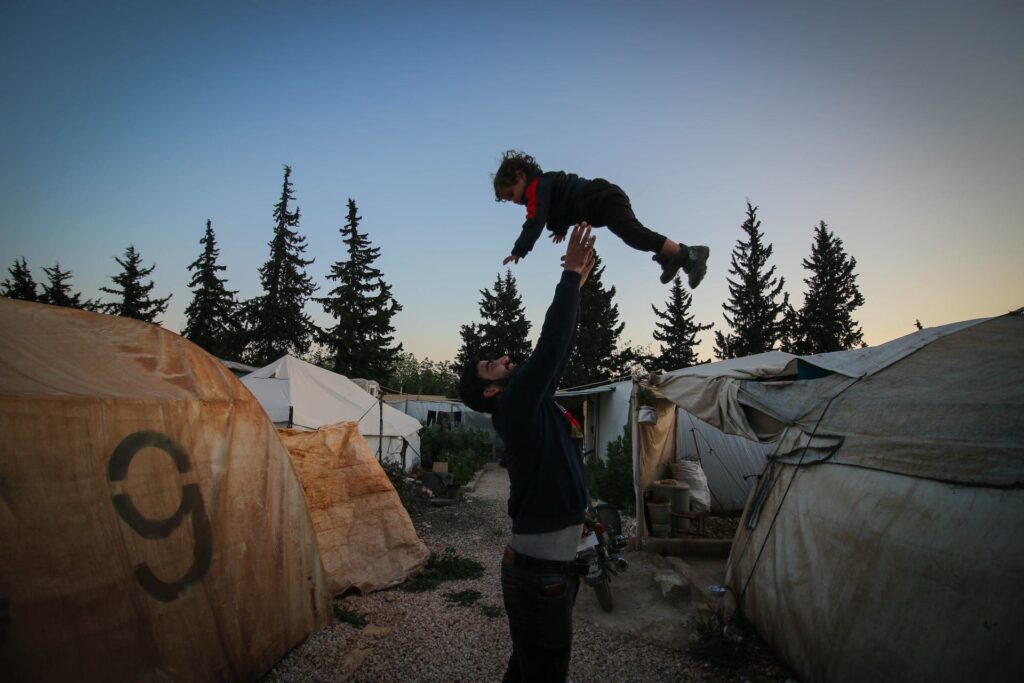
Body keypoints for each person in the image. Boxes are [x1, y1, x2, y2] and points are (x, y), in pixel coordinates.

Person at [459, 223, 597, 683]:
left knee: (531, 670)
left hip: (549, 570)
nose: (501, 358)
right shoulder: (516, 407)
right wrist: (569, 275)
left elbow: (559, 352)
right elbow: (551, 347)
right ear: (492, 390)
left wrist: (576, 287)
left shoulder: (530, 402)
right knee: (543, 672)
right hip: (540, 576)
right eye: (490, 365)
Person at [492, 149, 709, 287]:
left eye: (511, 194)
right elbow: (558, 208)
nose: (514, 201)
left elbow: (535, 219)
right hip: (601, 201)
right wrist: (559, 229)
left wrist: (519, 249)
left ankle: (690, 254)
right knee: (633, 234)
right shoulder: (543, 190)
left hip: (602, 198)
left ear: (521, 176)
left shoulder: (537, 187)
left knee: (633, 233)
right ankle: (672, 256)